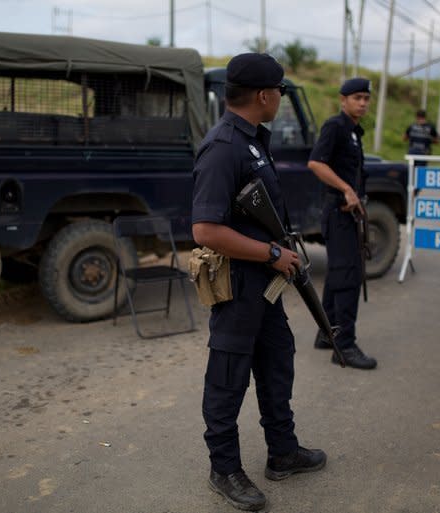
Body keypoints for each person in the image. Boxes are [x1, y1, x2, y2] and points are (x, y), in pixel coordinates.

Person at [192, 53, 327, 511]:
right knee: (228, 378)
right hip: (238, 287)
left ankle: (283, 452)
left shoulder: (252, 141)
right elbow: (205, 230)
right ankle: (224, 468)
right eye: (281, 91)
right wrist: (272, 253)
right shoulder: (224, 147)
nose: (282, 98)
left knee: (276, 363)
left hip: (265, 286)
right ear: (265, 95)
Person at [307, 77, 378, 370]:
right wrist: (346, 189)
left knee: (338, 275)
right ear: (343, 100)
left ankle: (327, 333)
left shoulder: (353, 131)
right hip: (338, 212)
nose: (362, 103)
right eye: (357, 97)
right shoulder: (335, 126)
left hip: (348, 214)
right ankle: (344, 346)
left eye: (366, 98)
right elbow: (316, 163)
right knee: (348, 278)